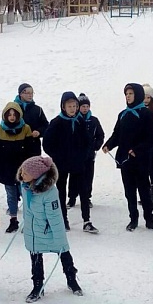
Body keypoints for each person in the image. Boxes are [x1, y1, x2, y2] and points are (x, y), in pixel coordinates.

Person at [17, 155, 83, 302]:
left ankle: (72, 280)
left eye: (25, 173)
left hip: (50, 231)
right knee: (35, 257)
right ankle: (38, 286)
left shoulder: (50, 192)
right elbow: (28, 211)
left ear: (36, 176)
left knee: (64, 253)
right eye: (22, 171)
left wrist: (60, 239)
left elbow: (55, 217)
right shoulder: (26, 187)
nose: (22, 175)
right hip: (33, 231)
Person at [102, 83, 153, 231]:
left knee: (144, 191)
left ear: (138, 95)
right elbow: (117, 134)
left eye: (131, 93)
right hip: (125, 160)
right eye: (126, 94)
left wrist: (137, 150)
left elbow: (152, 139)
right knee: (129, 192)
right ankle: (133, 219)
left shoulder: (147, 114)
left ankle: (149, 219)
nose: (128, 96)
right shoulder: (123, 114)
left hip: (141, 160)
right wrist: (108, 145)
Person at [43, 91, 95, 232]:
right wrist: (57, 156)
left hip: (78, 164)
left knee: (83, 191)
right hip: (61, 165)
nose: (73, 108)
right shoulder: (56, 122)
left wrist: (84, 156)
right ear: (63, 107)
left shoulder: (80, 121)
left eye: (74, 106)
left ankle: (87, 220)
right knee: (61, 191)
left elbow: (87, 141)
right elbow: (46, 144)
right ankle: (63, 219)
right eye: (69, 106)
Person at [0, 102, 32, 233]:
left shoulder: (26, 128)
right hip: (7, 168)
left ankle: (29, 221)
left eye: (14, 114)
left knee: (26, 195)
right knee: (11, 195)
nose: (12, 117)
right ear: (5, 115)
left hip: (23, 170)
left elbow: (30, 151)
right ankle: (13, 220)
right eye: (9, 114)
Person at [68, 93, 105, 215]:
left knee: (88, 177)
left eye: (87, 106)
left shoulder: (94, 120)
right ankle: (72, 198)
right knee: (73, 177)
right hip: (75, 155)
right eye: (82, 106)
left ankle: (87, 197)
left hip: (89, 155)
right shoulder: (73, 119)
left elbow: (100, 135)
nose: (85, 108)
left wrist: (96, 146)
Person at [14, 83, 49, 158]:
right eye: (28, 93)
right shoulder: (13, 108)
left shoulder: (38, 109)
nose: (30, 95)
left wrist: (39, 131)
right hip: (16, 146)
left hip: (33, 147)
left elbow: (46, 126)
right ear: (21, 94)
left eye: (32, 93)